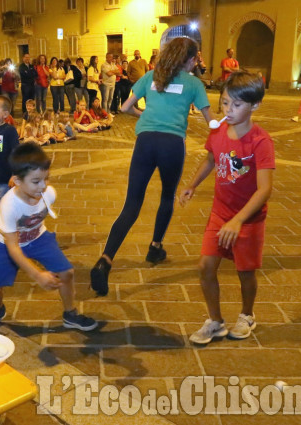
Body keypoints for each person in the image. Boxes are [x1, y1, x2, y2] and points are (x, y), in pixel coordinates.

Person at [90, 37, 213, 296]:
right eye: (195, 59)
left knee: (132, 204)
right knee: (167, 195)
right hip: (172, 145)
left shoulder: (151, 76)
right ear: (190, 60)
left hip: (144, 142)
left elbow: (125, 107)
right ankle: (155, 247)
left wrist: (143, 115)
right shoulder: (193, 83)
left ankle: (105, 260)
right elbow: (210, 121)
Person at [179, 71, 274, 344]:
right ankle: (215, 321)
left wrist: (239, 221)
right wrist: (193, 184)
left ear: (254, 105)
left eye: (237, 104)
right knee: (205, 266)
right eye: (224, 102)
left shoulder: (260, 141)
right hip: (220, 213)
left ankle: (247, 315)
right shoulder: (219, 130)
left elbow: (265, 189)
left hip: (249, 219)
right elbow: (212, 158)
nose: (228, 110)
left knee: (245, 273)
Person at [0, 141, 98, 331]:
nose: (43, 186)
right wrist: (37, 275)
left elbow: (40, 193)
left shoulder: (49, 193)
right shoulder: (9, 205)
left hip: (38, 238)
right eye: (36, 181)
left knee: (67, 273)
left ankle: (70, 314)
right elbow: (13, 247)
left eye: (46, 179)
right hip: (6, 244)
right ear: (18, 181)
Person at [19, 53, 37, 119]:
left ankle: (32, 112)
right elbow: (24, 74)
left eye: (28, 57)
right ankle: (25, 113)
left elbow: (35, 74)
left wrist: (29, 73)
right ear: (23, 58)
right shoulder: (21, 66)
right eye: (26, 57)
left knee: (32, 99)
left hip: (32, 85)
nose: (27, 59)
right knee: (25, 99)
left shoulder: (31, 66)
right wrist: (30, 73)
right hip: (25, 85)